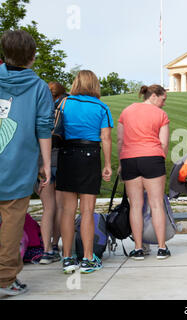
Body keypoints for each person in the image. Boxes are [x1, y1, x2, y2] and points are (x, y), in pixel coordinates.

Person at [0, 30, 54, 296]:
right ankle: (5, 279)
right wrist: (45, 165)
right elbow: (44, 128)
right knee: (11, 224)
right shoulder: (39, 88)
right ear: (32, 57)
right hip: (18, 167)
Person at [57, 70, 113, 273]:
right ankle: (88, 259)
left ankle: (67, 258)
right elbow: (106, 139)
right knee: (87, 211)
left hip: (66, 155)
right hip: (90, 155)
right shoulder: (101, 106)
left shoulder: (63, 103)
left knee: (67, 210)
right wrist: (107, 164)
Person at [117, 85, 171, 260]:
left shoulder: (126, 111)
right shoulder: (160, 115)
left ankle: (138, 248)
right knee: (156, 204)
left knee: (135, 206)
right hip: (152, 158)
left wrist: (120, 163)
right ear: (154, 96)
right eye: (163, 99)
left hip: (129, 159)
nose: (163, 104)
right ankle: (162, 248)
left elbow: (120, 139)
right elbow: (163, 143)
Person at [38, 82, 68, 265]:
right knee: (60, 207)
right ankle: (56, 245)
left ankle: (46, 250)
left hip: (41, 163)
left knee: (47, 209)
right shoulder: (62, 113)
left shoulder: (36, 113)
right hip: (61, 162)